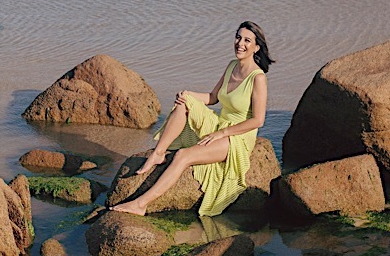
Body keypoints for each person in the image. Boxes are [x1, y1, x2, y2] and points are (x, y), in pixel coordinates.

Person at [111, 21, 272, 217]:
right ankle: (159, 153)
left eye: (247, 40)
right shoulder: (232, 66)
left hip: (237, 138)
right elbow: (213, 98)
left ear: (256, 47)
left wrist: (221, 133)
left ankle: (141, 204)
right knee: (184, 102)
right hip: (219, 123)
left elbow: (258, 120)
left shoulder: (258, 78)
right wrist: (189, 95)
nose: (240, 43)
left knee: (183, 156)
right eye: (238, 37)